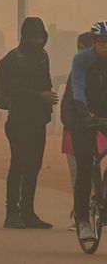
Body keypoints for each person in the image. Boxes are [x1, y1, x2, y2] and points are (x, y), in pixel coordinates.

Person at [0, 16, 57, 228]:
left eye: (41, 37)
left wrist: (46, 102)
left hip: (38, 121)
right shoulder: (13, 59)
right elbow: (12, 91)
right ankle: (12, 213)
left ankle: (28, 212)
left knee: (34, 166)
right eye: (34, 38)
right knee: (19, 164)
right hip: (19, 120)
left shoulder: (42, 57)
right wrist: (39, 96)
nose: (38, 42)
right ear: (25, 37)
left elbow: (45, 82)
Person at [69, 21, 107, 243]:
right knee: (85, 165)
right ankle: (82, 220)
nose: (105, 46)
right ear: (93, 42)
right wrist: (84, 113)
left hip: (104, 113)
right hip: (82, 116)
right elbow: (78, 88)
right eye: (102, 42)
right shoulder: (82, 60)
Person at [61, 31, 96, 230]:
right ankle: (81, 216)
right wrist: (73, 123)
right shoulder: (76, 73)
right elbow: (69, 102)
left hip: (98, 126)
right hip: (77, 129)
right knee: (81, 174)